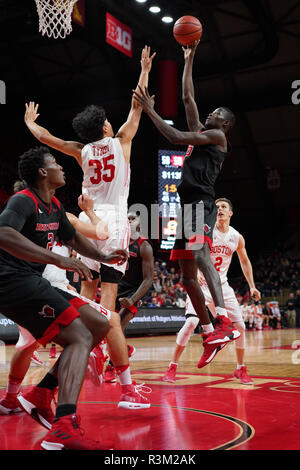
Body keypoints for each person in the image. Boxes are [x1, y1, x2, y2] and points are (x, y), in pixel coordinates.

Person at [0, 147, 133, 450]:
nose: (61, 167)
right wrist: (58, 260)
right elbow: (4, 234)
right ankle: (63, 425)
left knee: (100, 324)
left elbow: (72, 238)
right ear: (43, 173)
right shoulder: (23, 201)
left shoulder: (55, 205)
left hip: (29, 281)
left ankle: (41, 393)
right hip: (10, 282)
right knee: (78, 338)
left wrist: (103, 255)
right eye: (55, 163)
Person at [24, 45, 156, 312]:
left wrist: (30, 123)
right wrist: (144, 71)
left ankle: (87, 342)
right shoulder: (122, 141)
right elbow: (137, 104)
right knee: (109, 287)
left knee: (88, 283)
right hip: (114, 219)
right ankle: (104, 344)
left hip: (87, 217)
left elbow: (47, 138)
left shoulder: (80, 151)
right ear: (105, 127)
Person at [133, 42, 240, 367]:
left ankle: (223, 321)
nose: (210, 114)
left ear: (224, 126)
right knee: (187, 277)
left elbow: (176, 138)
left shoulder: (217, 139)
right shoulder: (204, 132)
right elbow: (188, 99)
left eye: (216, 115)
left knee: (199, 254)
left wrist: (150, 109)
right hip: (183, 207)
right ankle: (209, 333)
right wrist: (189, 58)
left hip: (200, 203)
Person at [163, 198, 261, 384]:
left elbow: (245, 261)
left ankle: (241, 369)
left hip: (221, 286)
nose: (220, 209)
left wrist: (252, 285)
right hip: (201, 285)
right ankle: (172, 366)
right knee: (191, 322)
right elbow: (192, 254)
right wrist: (197, 271)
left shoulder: (236, 237)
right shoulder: (207, 231)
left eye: (224, 207)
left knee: (239, 327)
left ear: (231, 213)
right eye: (217, 207)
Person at [79, 210, 154, 383]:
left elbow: (148, 279)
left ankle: (112, 366)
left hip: (132, 294)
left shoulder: (144, 246)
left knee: (114, 326)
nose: (129, 221)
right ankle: (124, 349)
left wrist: (133, 299)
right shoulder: (114, 242)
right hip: (113, 289)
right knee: (103, 327)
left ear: (139, 223)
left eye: (133, 218)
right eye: (126, 218)